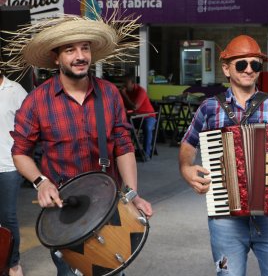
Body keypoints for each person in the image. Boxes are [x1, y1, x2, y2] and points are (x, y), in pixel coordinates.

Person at [5, 14, 153, 275]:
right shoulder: (37, 101)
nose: (80, 55)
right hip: (64, 210)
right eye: (70, 49)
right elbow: (20, 152)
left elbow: (123, 146)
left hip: (108, 205)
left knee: (113, 270)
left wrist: (132, 194)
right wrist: (41, 182)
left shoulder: (109, 94)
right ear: (56, 57)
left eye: (85, 48)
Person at [178, 35, 268, 276]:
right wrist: (186, 168)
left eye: (255, 64)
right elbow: (188, 144)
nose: (249, 70)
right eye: (241, 64)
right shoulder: (209, 107)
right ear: (226, 68)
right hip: (225, 216)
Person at [0, 70, 27, 276]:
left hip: (8, 165)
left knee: (7, 218)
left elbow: (30, 125)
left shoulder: (15, 90)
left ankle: (13, 263)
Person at [119, 74, 157, 160]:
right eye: (123, 83)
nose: (124, 85)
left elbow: (135, 107)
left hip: (148, 116)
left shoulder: (141, 91)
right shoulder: (124, 92)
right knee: (121, 126)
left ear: (133, 84)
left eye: (126, 83)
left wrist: (124, 95)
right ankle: (125, 151)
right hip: (134, 117)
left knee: (147, 128)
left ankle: (146, 153)